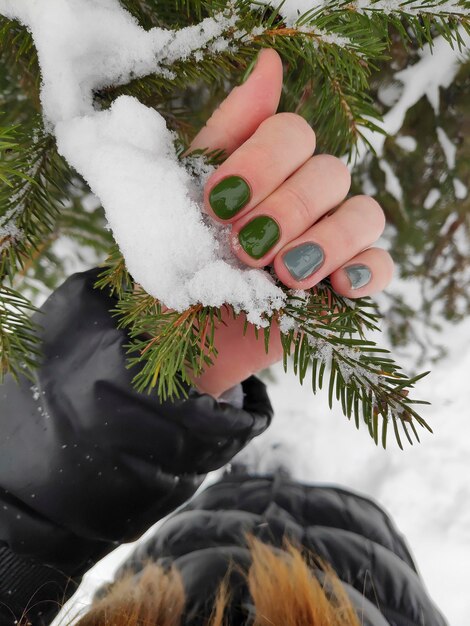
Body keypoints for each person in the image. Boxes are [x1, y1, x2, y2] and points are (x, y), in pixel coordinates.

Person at [0, 50, 446, 625]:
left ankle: (254, 476)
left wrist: (144, 362)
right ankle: (268, 476)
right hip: (369, 578)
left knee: (231, 504)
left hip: (166, 579)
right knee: (332, 522)